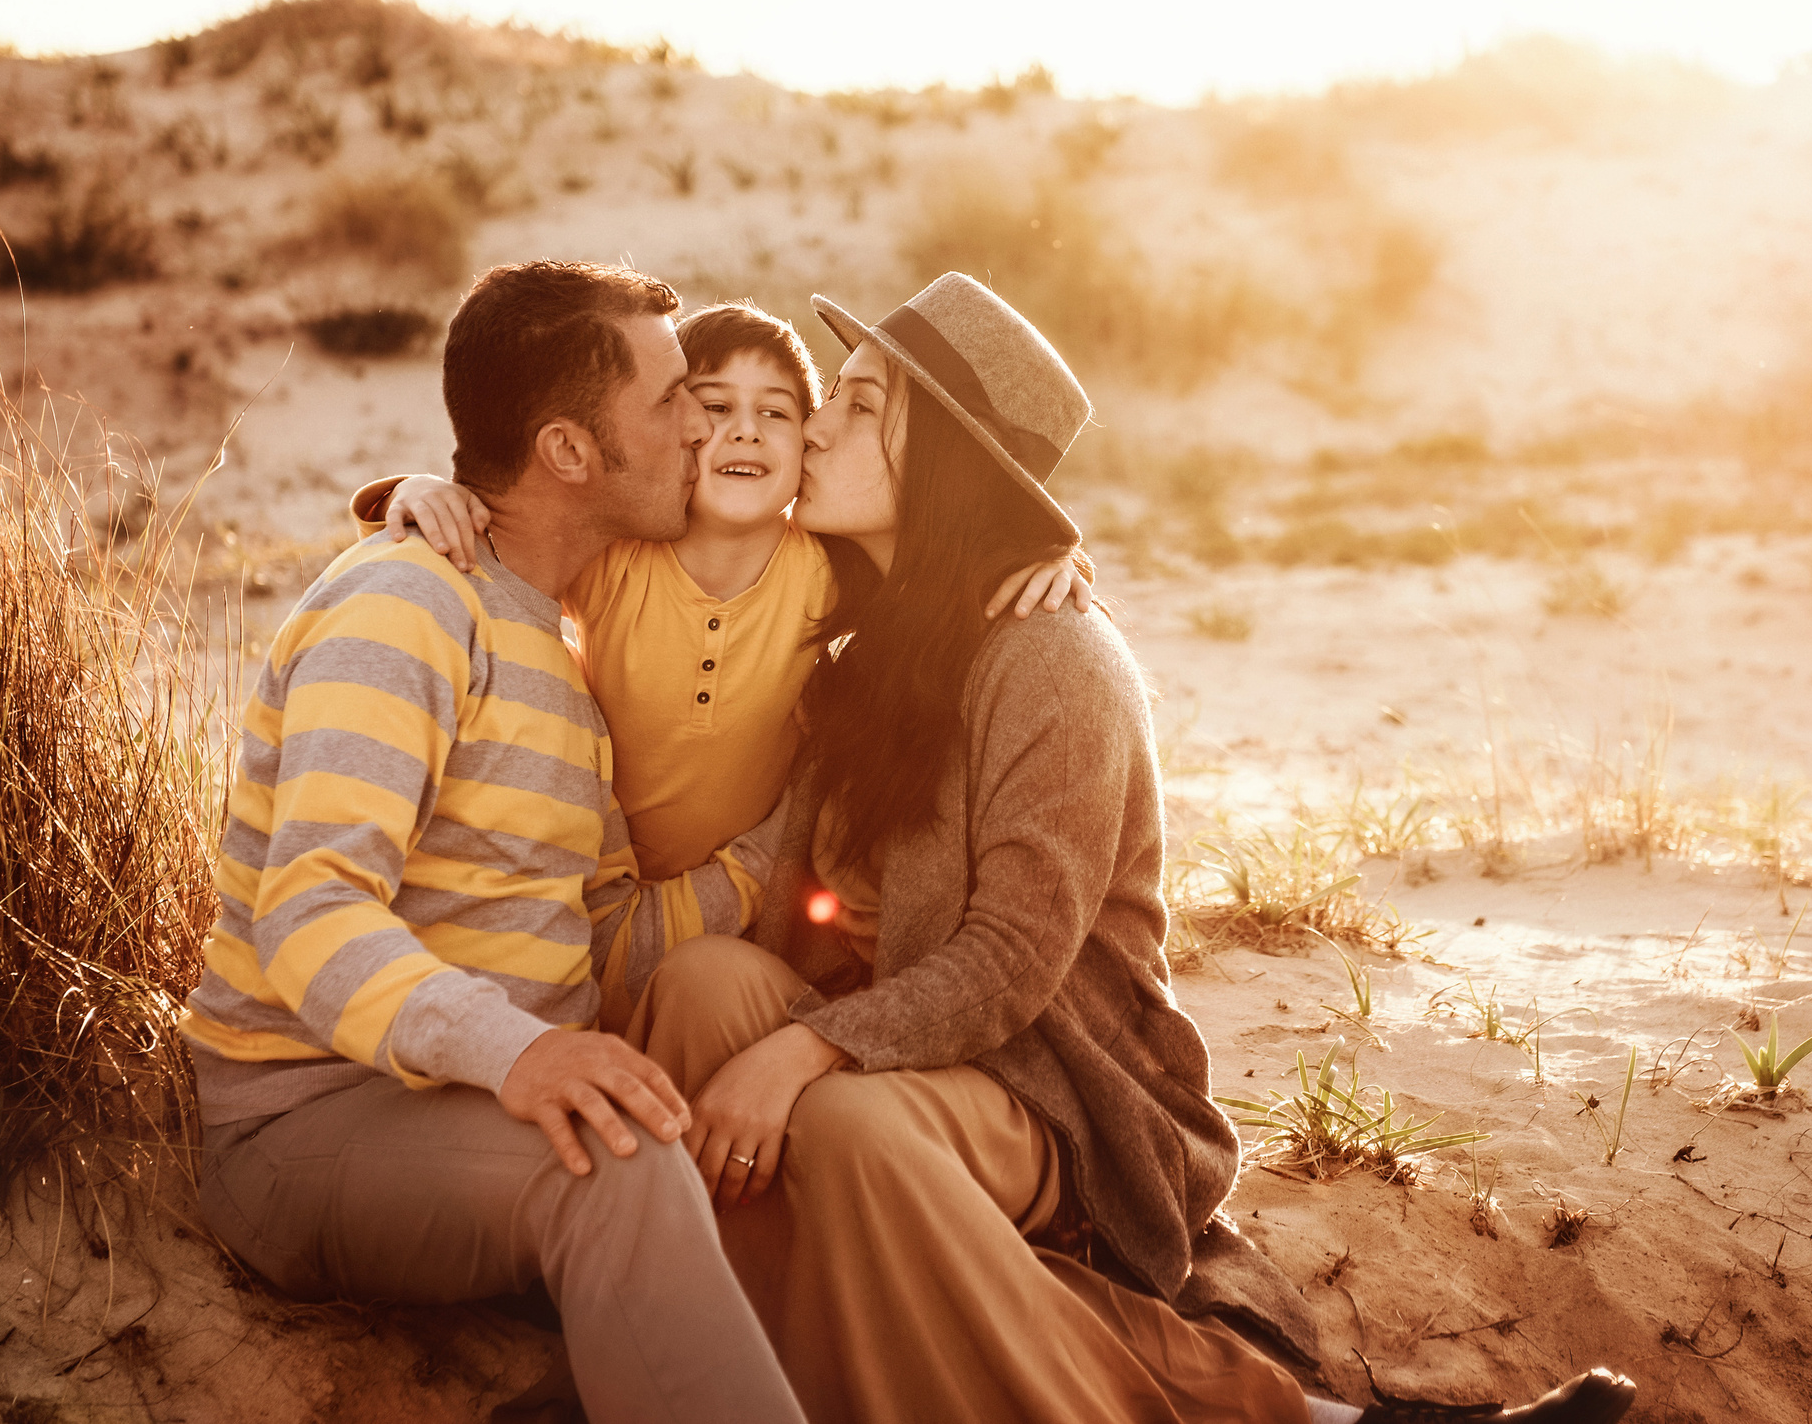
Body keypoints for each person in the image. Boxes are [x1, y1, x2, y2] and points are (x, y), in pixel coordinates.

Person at [627, 273, 1636, 1424]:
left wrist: (807, 1047)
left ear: (943, 463)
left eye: (858, 404)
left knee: (848, 1121)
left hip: (1060, 1083)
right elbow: (776, 892)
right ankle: (737, 1375)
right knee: (701, 987)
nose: (812, 423)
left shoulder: (1055, 657)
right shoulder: (866, 642)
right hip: (911, 1036)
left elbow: (1013, 957)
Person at [182, 261, 805, 1424]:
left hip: (459, 1114)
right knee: (617, 1167)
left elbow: (603, 930)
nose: (704, 425)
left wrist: (782, 846)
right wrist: (522, 1054)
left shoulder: (559, 652)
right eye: (673, 400)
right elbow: (309, 914)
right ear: (570, 450)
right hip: (300, 1119)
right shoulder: (405, 607)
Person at [355, 300, 1086, 1029]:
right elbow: (515, 541)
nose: (747, 430)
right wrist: (419, 492)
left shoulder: (830, 572)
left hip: (747, 906)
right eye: (716, 406)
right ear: (679, 432)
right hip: (591, 887)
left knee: (696, 1016)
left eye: (778, 411)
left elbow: (943, 562)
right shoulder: (616, 558)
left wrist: (1049, 556)